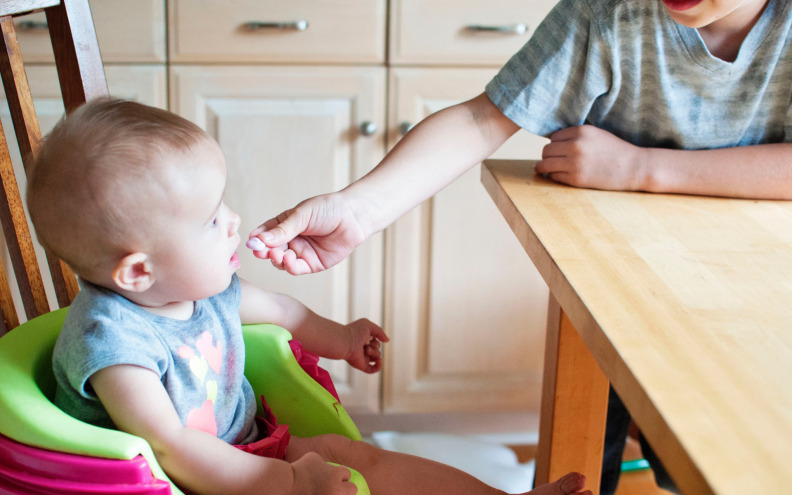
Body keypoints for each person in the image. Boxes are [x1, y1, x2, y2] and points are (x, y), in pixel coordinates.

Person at [247, 0, 792, 493]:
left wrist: (640, 167)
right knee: (590, 446)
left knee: (716, 458)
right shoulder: (606, 14)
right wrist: (359, 210)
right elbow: (484, 118)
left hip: (754, 294)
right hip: (616, 282)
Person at [27, 98, 591, 495]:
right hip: (170, 482)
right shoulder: (115, 345)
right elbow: (171, 449)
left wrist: (342, 338)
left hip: (247, 451)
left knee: (362, 458)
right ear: (137, 272)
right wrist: (293, 483)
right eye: (209, 221)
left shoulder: (203, 290)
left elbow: (285, 311)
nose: (234, 222)